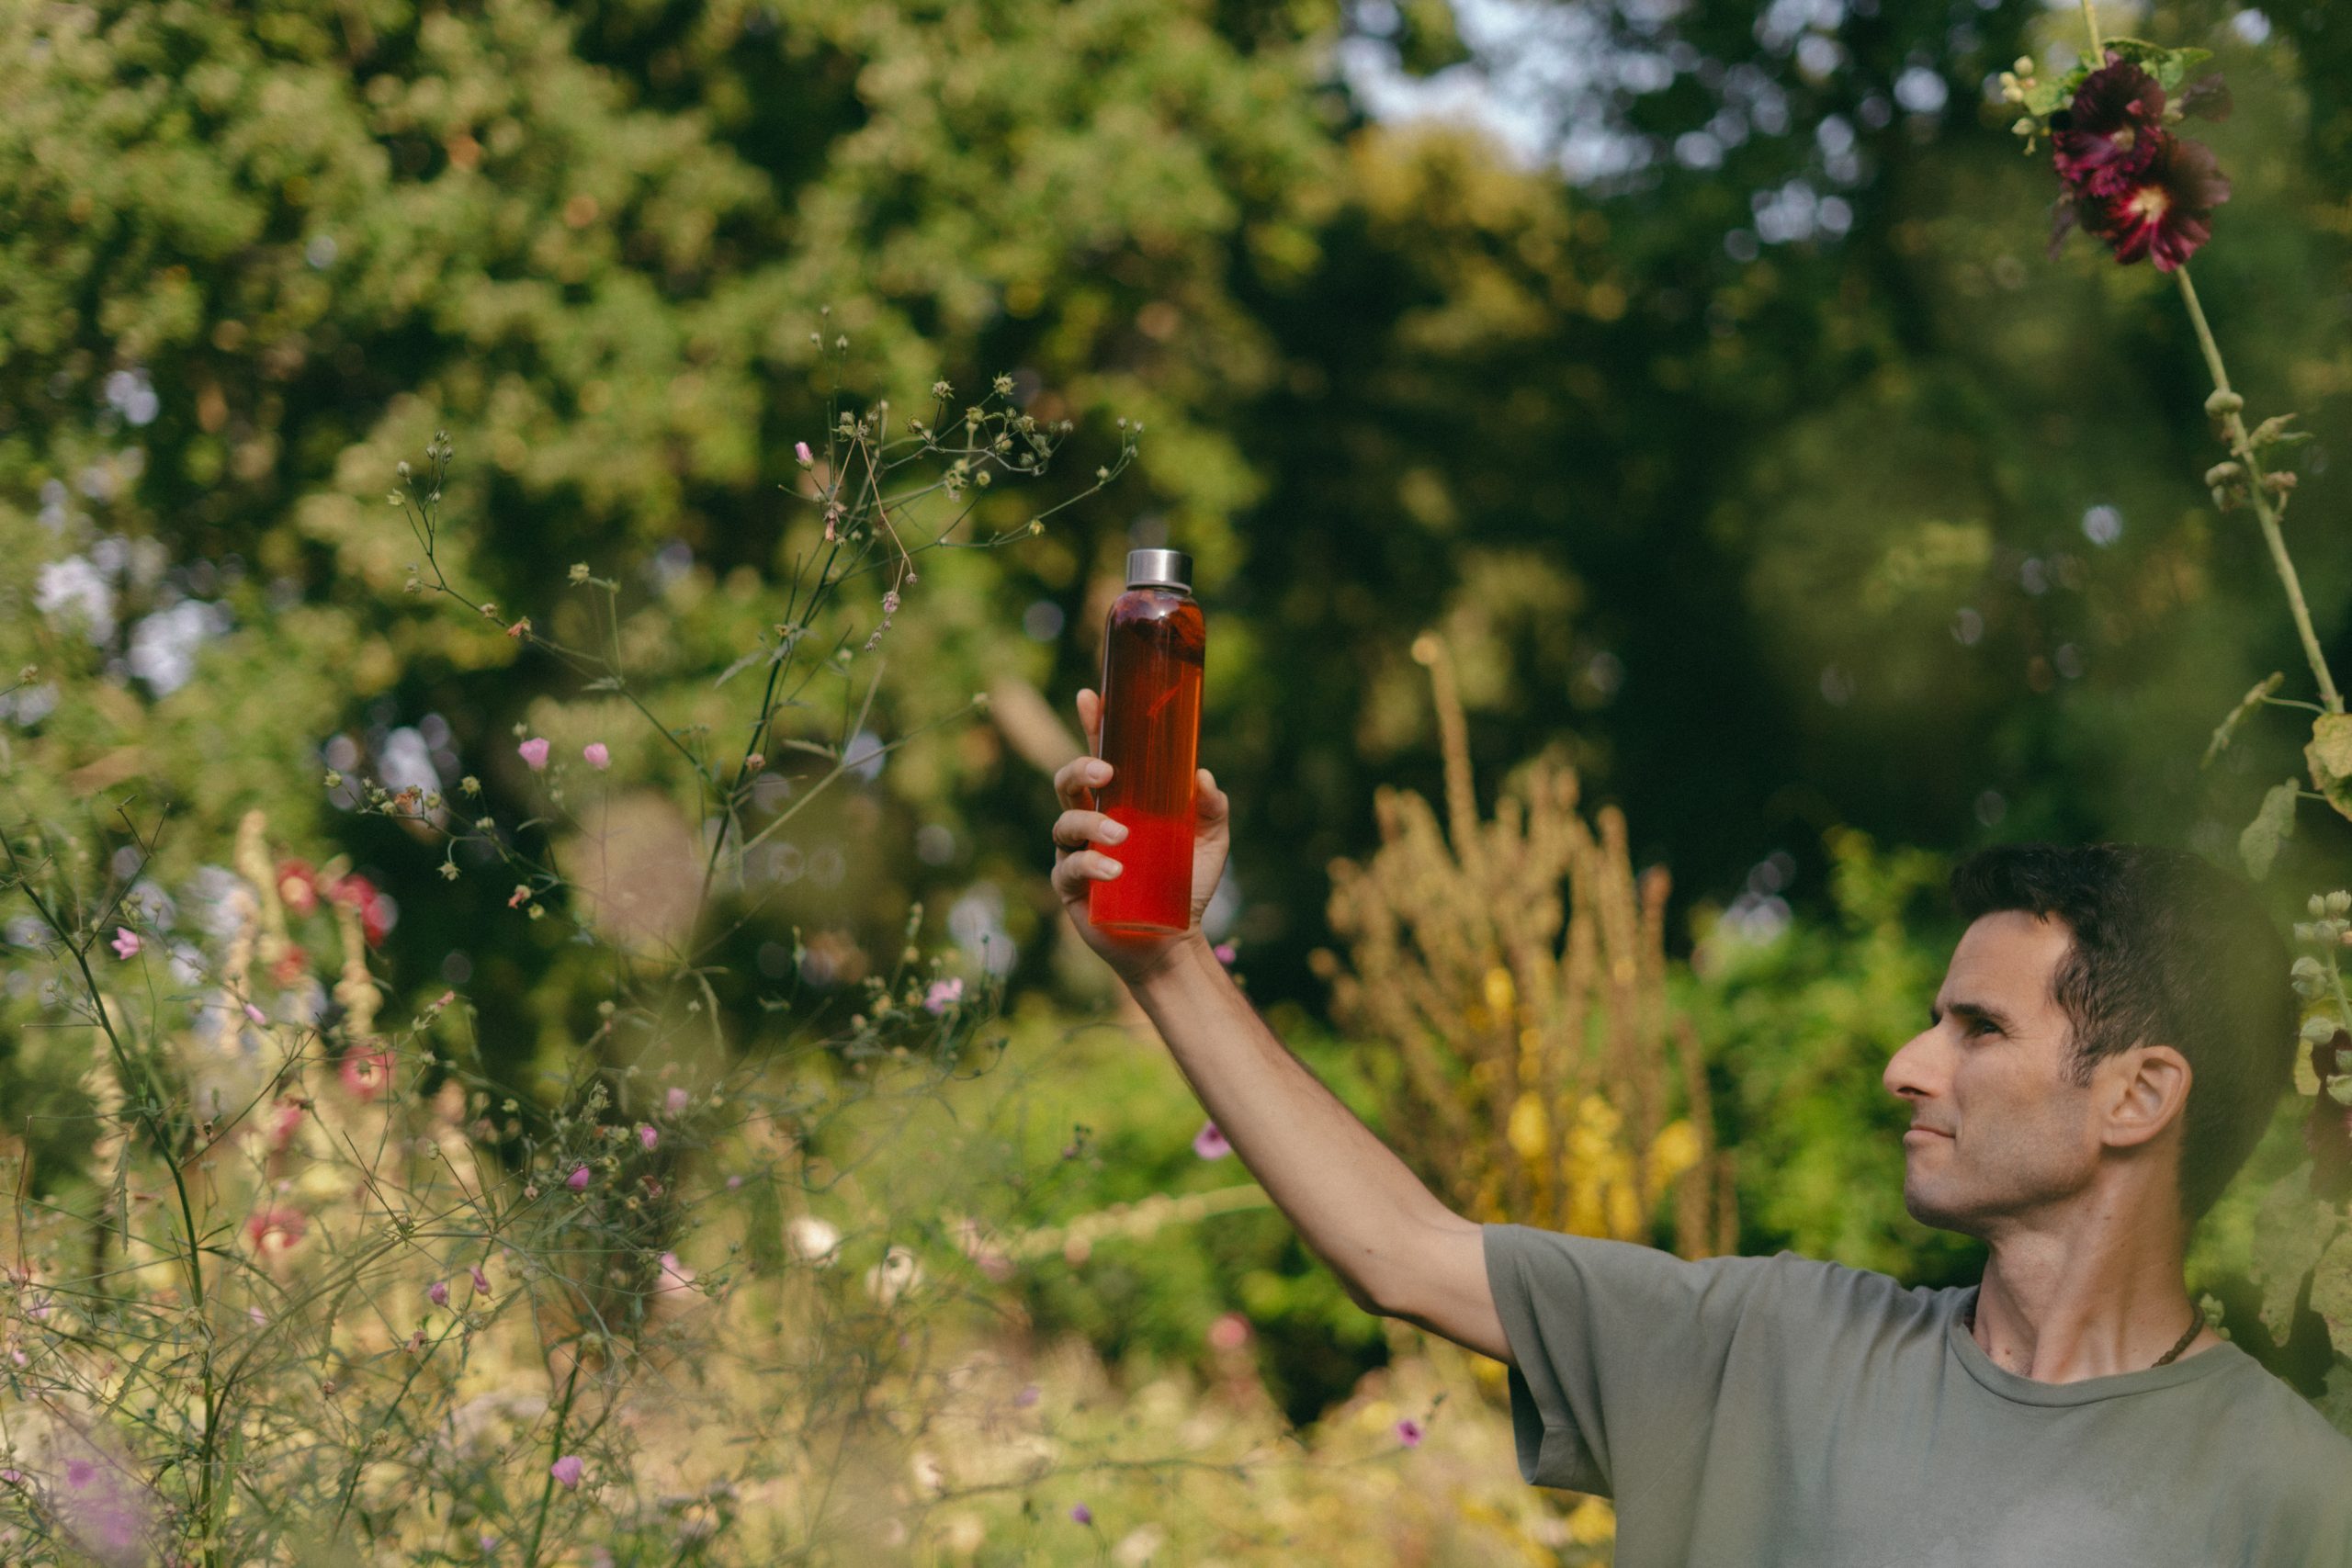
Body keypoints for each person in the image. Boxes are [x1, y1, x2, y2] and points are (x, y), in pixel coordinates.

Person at [1047, 687, 2352, 1565]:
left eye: (1980, 1029)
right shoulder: (1766, 1351)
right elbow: (1398, 1248)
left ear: (2139, 1096)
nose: (1907, 1067)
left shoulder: (2295, 1497)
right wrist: (1167, 961)